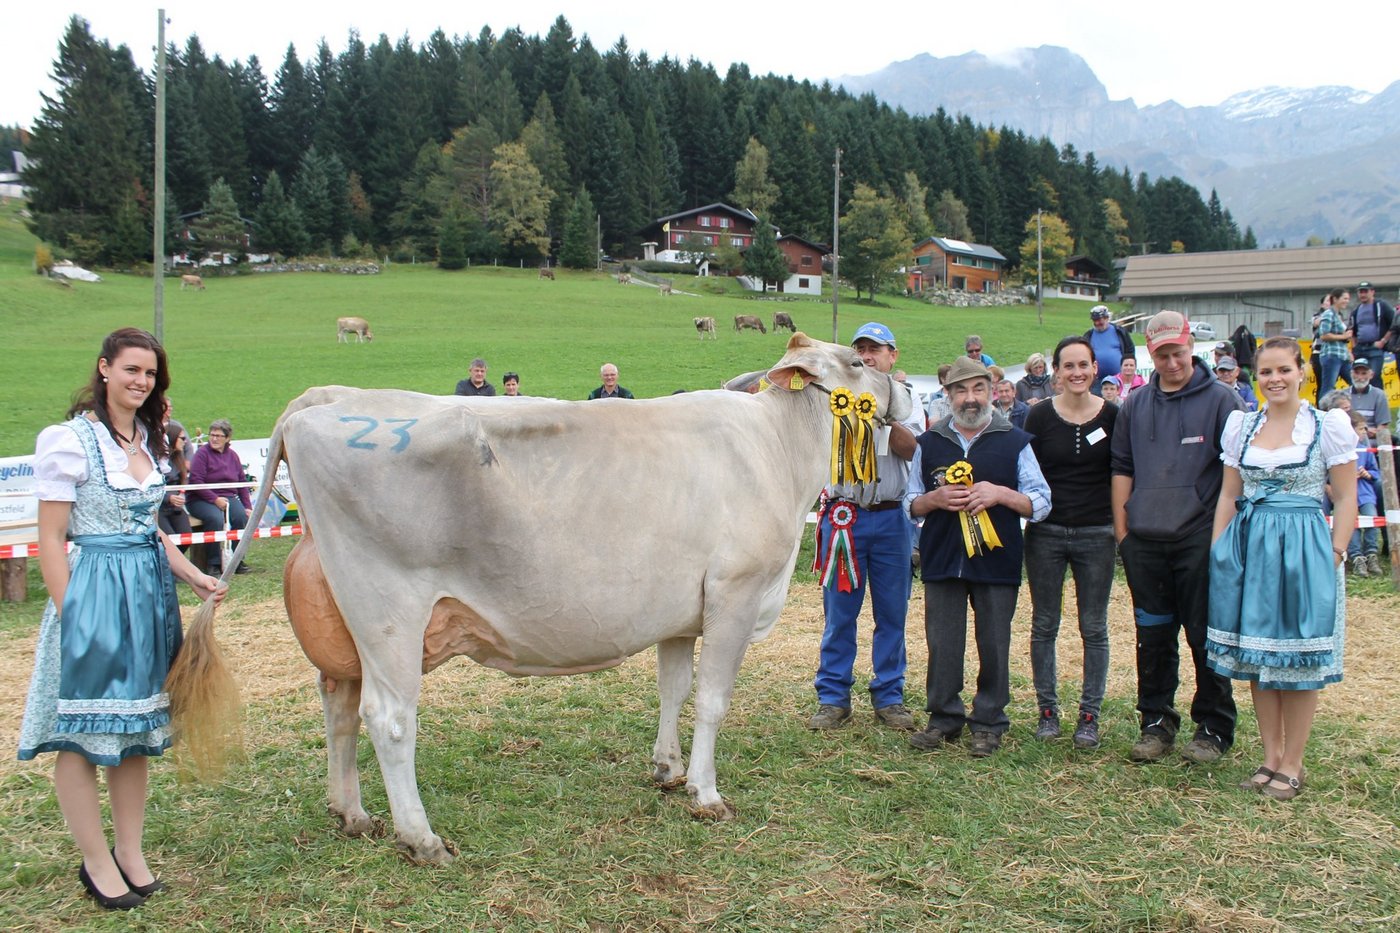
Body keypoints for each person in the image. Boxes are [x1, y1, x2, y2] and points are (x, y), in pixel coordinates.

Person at [18, 328, 226, 910]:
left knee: (134, 734)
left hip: (148, 597)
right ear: (105, 368)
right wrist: (74, 615)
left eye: (150, 373)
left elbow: (149, 529)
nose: (141, 381)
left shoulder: (148, 441)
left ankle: (130, 852)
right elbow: (51, 538)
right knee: (82, 735)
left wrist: (193, 574)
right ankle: (95, 860)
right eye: (132, 369)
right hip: (94, 595)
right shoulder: (70, 440)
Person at [1206, 337, 1356, 801]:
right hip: (1251, 547)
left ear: (1302, 372)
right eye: (1266, 372)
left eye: (1284, 370)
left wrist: (1335, 553)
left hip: (1305, 549)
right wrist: (1219, 551)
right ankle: (1270, 756)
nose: (1275, 379)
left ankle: (1293, 762)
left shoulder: (1326, 426)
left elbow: (1345, 496)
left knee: (1298, 660)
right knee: (1258, 657)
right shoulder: (1243, 426)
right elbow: (1229, 494)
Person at [1111, 310, 1243, 765]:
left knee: (1204, 635)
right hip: (1145, 540)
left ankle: (1214, 726)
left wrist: (1220, 538)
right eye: (1162, 355)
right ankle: (1156, 722)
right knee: (1152, 634)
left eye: (1178, 353)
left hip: (1199, 539)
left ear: (1191, 347)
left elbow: (1235, 472)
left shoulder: (1223, 400)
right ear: (1151, 354)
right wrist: (1123, 533)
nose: (1172, 363)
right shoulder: (1135, 405)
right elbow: (1122, 467)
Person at [905, 356, 1051, 757]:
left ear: (992, 392)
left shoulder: (1015, 440)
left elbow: (1041, 501)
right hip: (942, 559)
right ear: (948, 395)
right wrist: (933, 499)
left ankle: (989, 722)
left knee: (994, 643)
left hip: (997, 560)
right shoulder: (929, 443)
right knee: (942, 643)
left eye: (978, 389)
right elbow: (909, 501)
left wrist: (1001, 494)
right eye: (961, 391)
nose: (970, 398)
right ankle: (943, 719)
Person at [809, 323, 922, 732]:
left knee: (892, 612)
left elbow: (915, 449)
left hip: (892, 516)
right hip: (845, 516)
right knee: (840, 614)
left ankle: (889, 697)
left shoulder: (906, 398)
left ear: (893, 356)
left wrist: (882, 419)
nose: (867, 356)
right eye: (860, 349)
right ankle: (833, 698)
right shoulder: (834, 397)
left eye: (875, 349)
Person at [1023, 336, 1119, 749]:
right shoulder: (1039, 416)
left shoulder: (1114, 415)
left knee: (1093, 627)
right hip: (1046, 532)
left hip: (1097, 533)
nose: (1076, 372)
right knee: (1044, 624)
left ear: (1095, 368)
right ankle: (1047, 711)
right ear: (1057, 372)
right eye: (1068, 366)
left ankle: (1089, 716)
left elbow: (1122, 473)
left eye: (1083, 365)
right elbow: (1025, 472)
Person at [186, 419, 252, 576]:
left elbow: (242, 482)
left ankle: (237, 561)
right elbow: (196, 481)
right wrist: (215, 499)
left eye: (218, 436)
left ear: (227, 438)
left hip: (228, 496)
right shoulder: (202, 454)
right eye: (212, 435)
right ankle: (213, 563)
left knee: (240, 517)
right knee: (214, 518)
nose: (214, 439)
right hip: (200, 498)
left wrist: (247, 506)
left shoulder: (233, 456)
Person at [1344, 410, 1382, 577]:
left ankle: (1371, 553)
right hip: (1347, 494)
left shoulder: (1365, 450)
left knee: (1371, 520)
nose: (1365, 432)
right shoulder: (1341, 451)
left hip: (1365, 493)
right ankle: (1357, 556)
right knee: (1351, 523)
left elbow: (1376, 471)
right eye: (1361, 429)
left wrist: (1368, 474)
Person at [157, 421, 192, 551]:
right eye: (182, 438)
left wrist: (181, 493)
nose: (185, 442)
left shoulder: (179, 458)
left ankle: (174, 564)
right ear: (171, 438)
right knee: (169, 542)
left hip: (175, 507)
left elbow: (183, 481)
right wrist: (169, 498)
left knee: (186, 538)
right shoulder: (157, 460)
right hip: (159, 507)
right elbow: (152, 487)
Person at [1348, 281, 1395, 377]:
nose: (1363, 294)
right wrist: (1354, 346)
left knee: (1374, 376)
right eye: (1360, 292)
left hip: (1375, 348)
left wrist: (1383, 341)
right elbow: (1352, 330)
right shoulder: (1356, 310)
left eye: (1365, 291)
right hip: (1359, 348)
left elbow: (1394, 324)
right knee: (1360, 377)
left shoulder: (1381, 306)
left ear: (1372, 292)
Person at [1083, 306, 1134, 393]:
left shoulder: (1119, 332)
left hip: (1118, 380)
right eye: (1095, 320)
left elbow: (1130, 351)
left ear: (1107, 318)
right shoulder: (1088, 336)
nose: (1097, 323)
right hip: (1096, 382)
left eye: (1099, 320)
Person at [1314, 288, 1353, 396]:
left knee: (1355, 382)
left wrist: (1348, 352)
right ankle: (1324, 406)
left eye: (1348, 299)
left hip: (1343, 355)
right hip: (1331, 355)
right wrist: (1344, 336)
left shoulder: (1338, 315)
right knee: (1328, 387)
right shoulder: (1328, 314)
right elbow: (1324, 335)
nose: (1347, 301)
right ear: (1335, 299)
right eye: (1344, 298)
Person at [1346, 358, 1390, 441]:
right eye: (1356, 373)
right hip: (1348, 438)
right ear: (1351, 374)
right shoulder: (1342, 396)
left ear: (1371, 375)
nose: (1360, 377)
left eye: (1364, 373)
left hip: (1372, 440)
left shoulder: (1379, 395)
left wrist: (1366, 433)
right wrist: (1364, 430)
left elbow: (1383, 426)